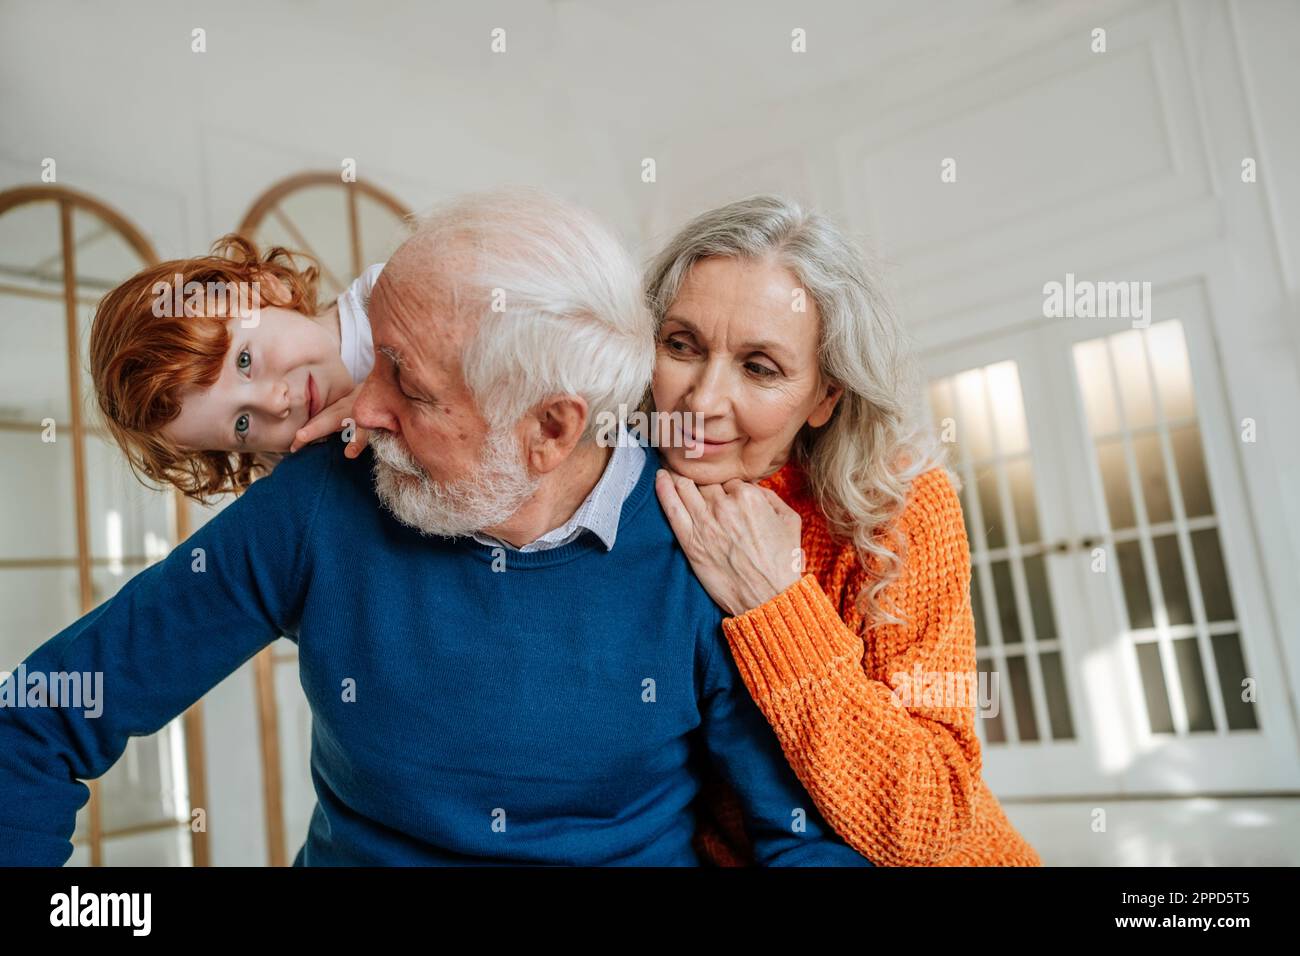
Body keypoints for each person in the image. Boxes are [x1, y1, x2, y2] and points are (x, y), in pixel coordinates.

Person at [0, 188, 871, 867]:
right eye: (369, 355)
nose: (356, 410)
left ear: (551, 431)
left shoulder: (708, 548)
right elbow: (36, 719)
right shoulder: (317, 499)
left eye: (405, 385)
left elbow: (803, 839)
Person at [645, 195, 1042, 866]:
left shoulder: (902, 508)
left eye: (759, 367)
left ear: (827, 395)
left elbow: (929, 817)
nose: (703, 400)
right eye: (682, 346)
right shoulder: (617, 499)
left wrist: (777, 603)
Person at [88, 235, 382, 501]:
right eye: (242, 424)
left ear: (264, 288)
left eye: (245, 361)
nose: (274, 403)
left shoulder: (386, 301)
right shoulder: (306, 466)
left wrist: (383, 397)